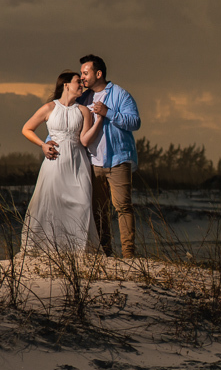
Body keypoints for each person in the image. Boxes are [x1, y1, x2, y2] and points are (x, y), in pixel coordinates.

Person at [19, 72, 102, 255]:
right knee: (50, 203)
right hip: (54, 162)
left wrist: (100, 121)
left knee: (82, 203)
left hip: (78, 162)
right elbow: (27, 128)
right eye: (77, 82)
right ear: (65, 85)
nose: (81, 85)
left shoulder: (83, 111)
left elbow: (85, 140)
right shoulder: (49, 108)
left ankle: (78, 250)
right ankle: (49, 248)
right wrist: (43, 145)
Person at [77, 54, 141, 258]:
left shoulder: (121, 95)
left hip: (118, 161)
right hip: (93, 162)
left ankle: (129, 254)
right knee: (98, 210)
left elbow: (135, 122)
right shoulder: (83, 98)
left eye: (85, 73)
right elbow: (67, 121)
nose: (82, 78)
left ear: (98, 73)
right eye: (80, 74)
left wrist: (109, 112)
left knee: (123, 207)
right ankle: (106, 252)